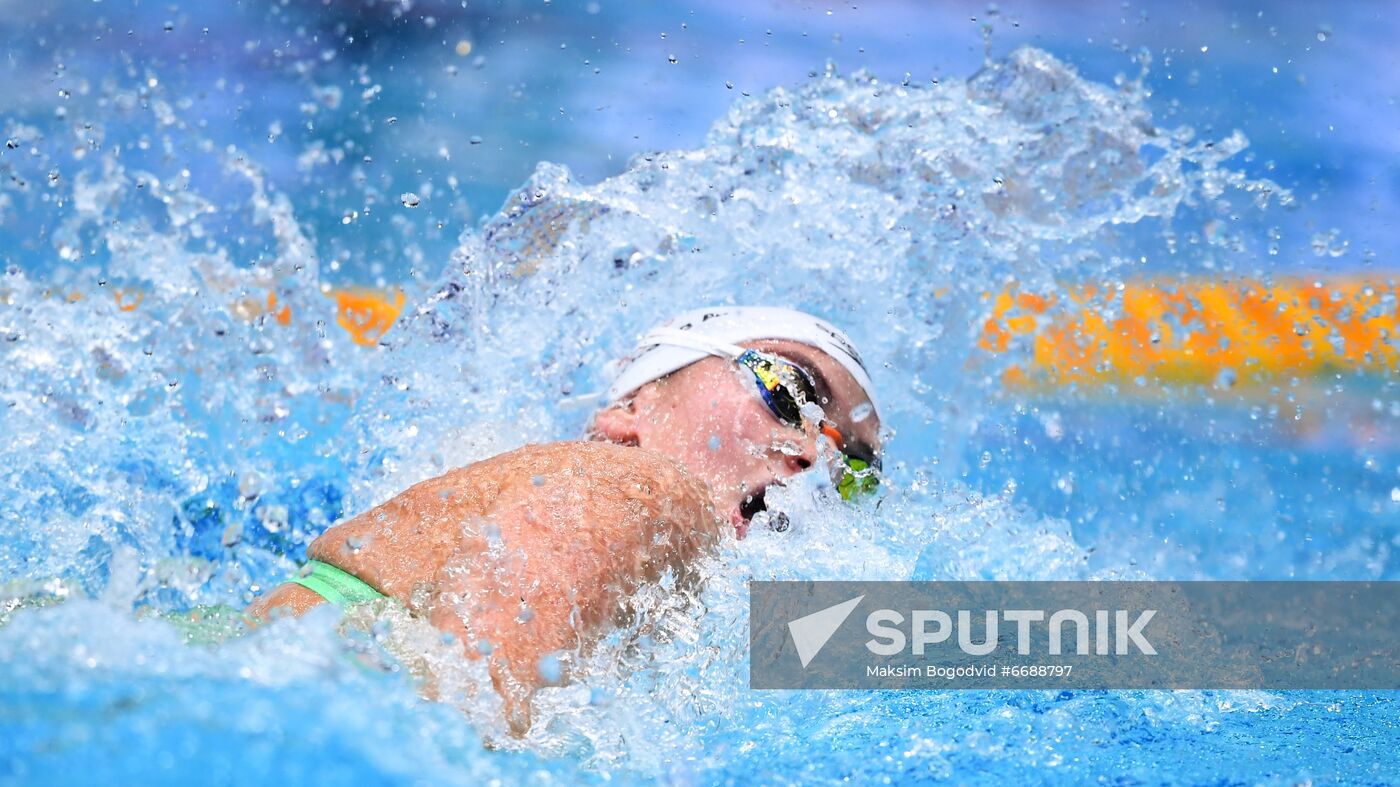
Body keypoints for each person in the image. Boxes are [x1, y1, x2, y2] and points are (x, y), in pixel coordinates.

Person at [246, 306, 883, 733]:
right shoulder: (643, 486)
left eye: (855, 470)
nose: (817, 454)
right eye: (789, 390)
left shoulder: (692, 613)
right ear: (630, 411)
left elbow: (958, 641)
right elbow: (464, 727)